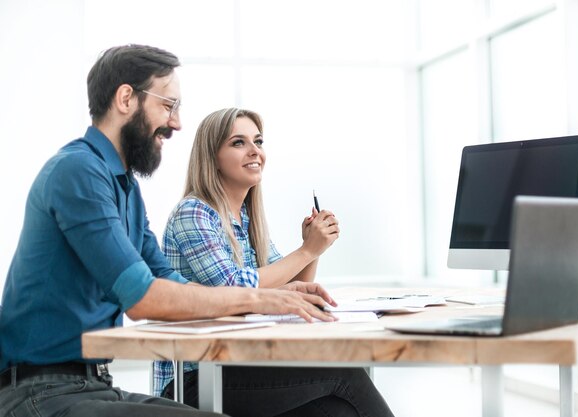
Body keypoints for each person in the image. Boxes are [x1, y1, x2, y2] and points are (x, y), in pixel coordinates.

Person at [0, 45, 337, 417]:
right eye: (168, 105)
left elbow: (171, 282)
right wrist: (259, 298)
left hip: (92, 384)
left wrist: (280, 294)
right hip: (39, 393)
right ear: (126, 98)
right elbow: (145, 299)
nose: (176, 123)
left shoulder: (124, 188)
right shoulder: (78, 173)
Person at [154, 108, 396, 417]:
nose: (255, 151)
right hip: (195, 377)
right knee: (343, 372)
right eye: (238, 142)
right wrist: (306, 250)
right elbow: (233, 288)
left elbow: (286, 294)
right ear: (211, 156)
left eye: (258, 141)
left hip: (240, 367)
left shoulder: (247, 220)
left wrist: (313, 248)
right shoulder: (194, 213)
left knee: (339, 411)